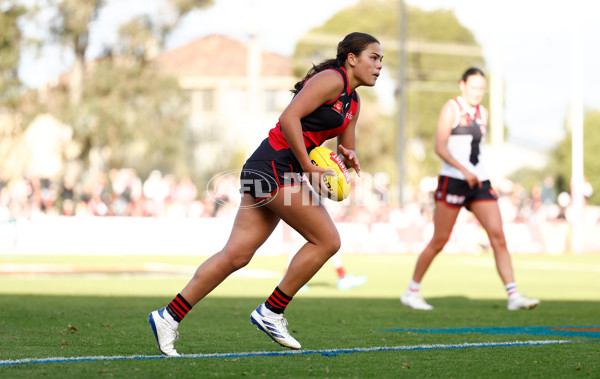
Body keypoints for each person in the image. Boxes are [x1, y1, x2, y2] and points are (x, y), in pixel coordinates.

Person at [148, 32, 383, 356]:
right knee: (327, 240)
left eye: (381, 59)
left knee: (236, 256)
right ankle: (271, 311)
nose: (379, 65)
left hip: (273, 168)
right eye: (374, 57)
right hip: (274, 165)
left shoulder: (354, 102)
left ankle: (167, 317)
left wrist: (348, 158)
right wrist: (307, 165)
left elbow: (345, 147)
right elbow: (289, 118)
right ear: (352, 58)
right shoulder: (331, 79)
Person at [400, 67, 540, 311]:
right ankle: (412, 291)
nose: (478, 93)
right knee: (440, 239)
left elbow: (474, 151)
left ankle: (514, 295)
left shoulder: (483, 113)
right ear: (462, 85)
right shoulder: (451, 108)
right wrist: (463, 171)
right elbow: (439, 147)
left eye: (482, 89)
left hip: (479, 182)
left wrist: (481, 173)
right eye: (474, 87)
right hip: (453, 180)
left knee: (498, 235)